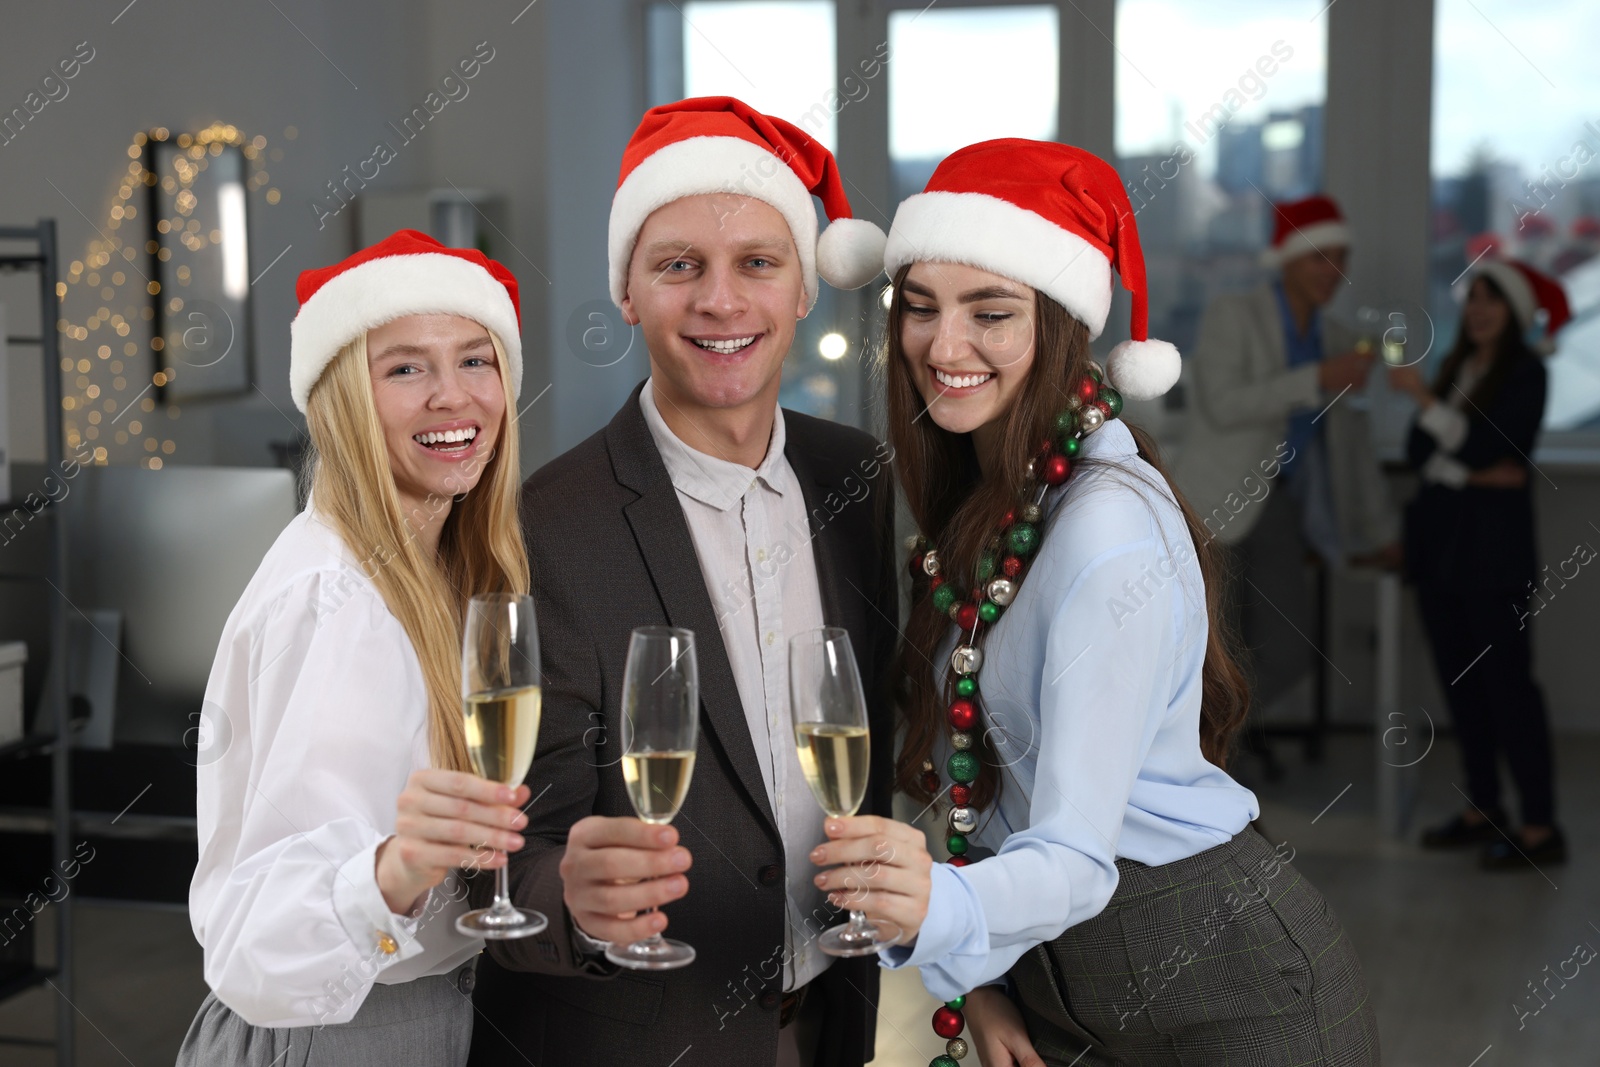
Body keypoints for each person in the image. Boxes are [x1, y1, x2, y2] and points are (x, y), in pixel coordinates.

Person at [809, 140, 1380, 1064]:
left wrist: (934, 912)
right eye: (920, 308)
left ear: (1061, 325)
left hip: (1229, 991)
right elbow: (991, 792)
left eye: (990, 312)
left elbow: (1075, 857)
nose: (943, 346)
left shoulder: (1103, 532)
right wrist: (984, 982)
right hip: (1065, 986)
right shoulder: (998, 497)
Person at [466, 97, 898, 1067]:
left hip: (827, 1026)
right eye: (678, 266)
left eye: (757, 261)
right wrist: (568, 898)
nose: (720, 300)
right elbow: (501, 844)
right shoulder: (540, 520)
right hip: (627, 1038)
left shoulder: (857, 478)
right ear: (626, 289)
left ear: (802, 289)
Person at [179, 231, 532, 1066]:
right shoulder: (330, 597)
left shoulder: (443, 568)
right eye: (405, 368)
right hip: (342, 1030)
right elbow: (247, 939)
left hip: (430, 1009)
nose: (452, 396)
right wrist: (396, 867)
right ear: (343, 401)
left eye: (475, 361)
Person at [1173, 195, 1398, 760]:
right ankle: (1192, 769)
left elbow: (1348, 444)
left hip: (1288, 507)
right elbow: (1222, 405)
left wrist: (1376, 528)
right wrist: (1313, 378)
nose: (1333, 272)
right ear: (1288, 259)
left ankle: (1202, 747)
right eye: (1321, 257)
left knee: (1287, 654)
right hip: (1216, 502)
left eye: (1341, 259)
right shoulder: (1234, 313)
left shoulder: (1340, 337)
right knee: (1203, 651)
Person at [1391, 258, 1570, 869]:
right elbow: (1425, 452)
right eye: (1473, 299)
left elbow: (1493, 449)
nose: (1479, 309)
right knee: (1462, 689)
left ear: (1514, 312)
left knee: (1509, 689)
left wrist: (1432, 414)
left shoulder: (1526, 372)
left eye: (1492, 299)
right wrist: (1467, 463)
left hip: (1493, 560)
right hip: (1441, 554)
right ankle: (1484, 809)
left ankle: (1542, 825)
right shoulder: (1456, 369)